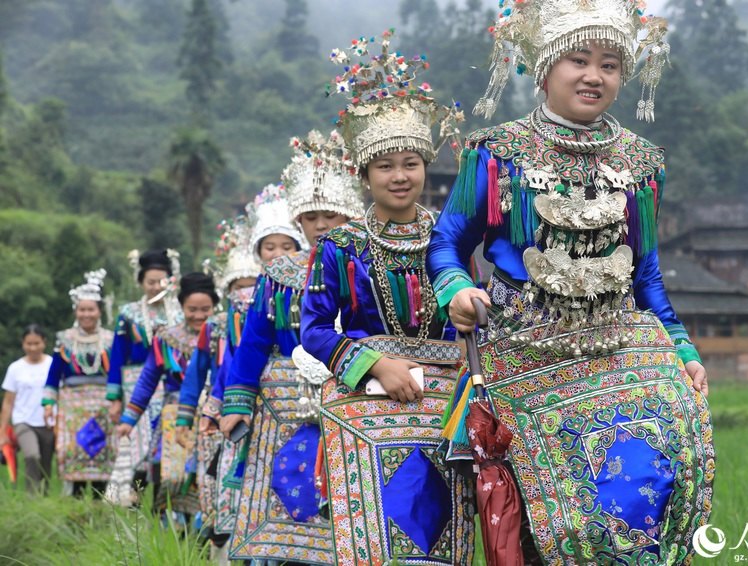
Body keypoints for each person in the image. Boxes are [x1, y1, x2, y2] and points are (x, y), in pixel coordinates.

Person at [428, 1, 715, 563]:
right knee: (553, 527)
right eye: (578, 60)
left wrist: (681, 346)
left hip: (618, 347)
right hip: (522, 353)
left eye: (610, 65)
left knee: (652, 487)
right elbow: (447, 243)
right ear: (545, 69)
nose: (594, 76)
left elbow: (646, 272)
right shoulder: (496, 155)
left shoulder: (641, 163)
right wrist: (456, 290)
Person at [300, 31, 474, 566]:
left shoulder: (450, 237)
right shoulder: (340, 246)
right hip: (365, 401)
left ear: (425, 166)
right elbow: (313, 330)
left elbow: (470, 319)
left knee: (444, 539)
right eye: (385, 166)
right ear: (364, 174)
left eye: (411, 163)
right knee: (374, 541)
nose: (400, 176)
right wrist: (376, 364)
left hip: (445, 406)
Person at [220, 138, 363, 565]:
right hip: (285, 405)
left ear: (348, 215)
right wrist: (237, 400)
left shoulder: (365, 264)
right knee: (287, 484)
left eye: (329, 216)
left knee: (349, 490)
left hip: (353, 392)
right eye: (310, 217)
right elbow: (254, 341)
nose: (320, 225)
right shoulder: (278, 275)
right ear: (299, 221)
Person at [175, 215, 260, 561]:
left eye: (252, 284)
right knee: (216, 488)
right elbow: (196, 376)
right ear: (228, 291)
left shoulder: (273, 316)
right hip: (218, 415)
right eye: (238, 286)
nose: (245, 292)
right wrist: (185, 418)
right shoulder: (215, 327)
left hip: (262, 410)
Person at [116, 271, 218, 519]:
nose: (199, 315)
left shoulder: (224, 335)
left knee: (209, 476)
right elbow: (148, 379)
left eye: (205, 309)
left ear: (215, 306)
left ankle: (205, 530)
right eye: (192, 309)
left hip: (214, 415)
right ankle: (168, 528)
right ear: (181, 306)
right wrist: (129, 419)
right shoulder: (166, 338)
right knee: (170, 475)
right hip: (174, 413)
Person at [105, 248, 181, 506]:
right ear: (141, 282)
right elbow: (117, 356)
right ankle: (131, 496)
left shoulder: (180, 313)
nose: (156, 287)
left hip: (170, 384)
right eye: (151, 282)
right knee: (138, 441)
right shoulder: (128, 314)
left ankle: (162, 500)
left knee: (163, 441)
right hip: (137, 383)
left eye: (161, 281)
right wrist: (115, 397)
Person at [42, 269, 114, 498]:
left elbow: (116, 374)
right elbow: (54, 375)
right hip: (73, 406)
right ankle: (76, 502)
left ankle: (101, 502)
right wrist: (48, 404)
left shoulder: (110, 340)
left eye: (91, 309)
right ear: (76, 311)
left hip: (104, 404)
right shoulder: (65, 339)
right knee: (74, 449)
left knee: (103, 449)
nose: (86, 314)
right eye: (82, 309)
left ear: (99, 311)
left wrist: (118, 400)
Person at [0, 325, 55, 494]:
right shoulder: (15, 368)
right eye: (29, 344)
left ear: (44, 342)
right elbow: (8, 402)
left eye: (36, 343)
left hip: (48, 422)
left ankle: (44, 497)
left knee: (46, 463)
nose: (33, 348)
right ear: (23, 344)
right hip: (23, 421)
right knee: (32, 456)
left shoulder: (53, 364)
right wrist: (2, 432)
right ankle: (31, 495)